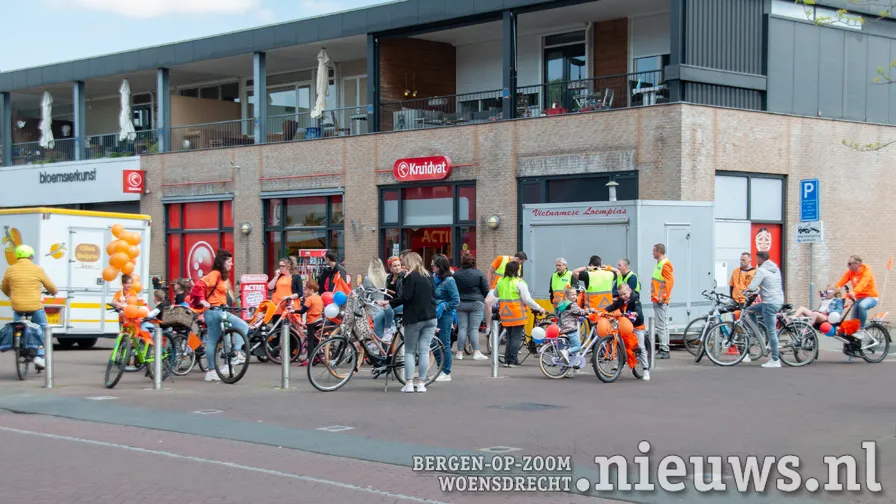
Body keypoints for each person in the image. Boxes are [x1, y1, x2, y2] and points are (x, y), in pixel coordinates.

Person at [380, 252, 436, 393]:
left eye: (404, 262)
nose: (403, 265)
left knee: (410, 351)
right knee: (424, 351)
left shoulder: (410, 277)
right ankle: (422, 383)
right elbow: (433, 294)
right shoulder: (429, 275)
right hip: (430, 318)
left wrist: (388, 302)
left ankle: (410, 383)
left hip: (414, 318)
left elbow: (405, 297)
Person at [190, 249, 249, 382]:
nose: (232, 264)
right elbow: (199, 285)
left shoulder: (221, 276)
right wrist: (202, 300)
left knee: (217, 340)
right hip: (213, 311)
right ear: (222, 262)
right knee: (242, 326)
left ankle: (215, 368)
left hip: (220, 311)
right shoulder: (215, 274)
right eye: (229, 261)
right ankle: (234, 355)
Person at [1, 245, 57, 369]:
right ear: (31, 256)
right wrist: (54, 292)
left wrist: (11, 295)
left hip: (17, 306)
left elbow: (4, 287)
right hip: (35, 306)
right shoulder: (37, 269)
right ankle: (39, 356)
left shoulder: (10, 269)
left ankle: (18, 344)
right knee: (43, 327)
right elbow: (50, 286)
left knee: (16, 325)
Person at [489, 261, 545, 367]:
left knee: (510, 337)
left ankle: (507, 360)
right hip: (517, 314)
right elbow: (527, 300)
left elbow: (496, 294)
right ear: (517, 271)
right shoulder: (519, 283)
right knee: (515, 338)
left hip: (505, 314)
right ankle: (513, 360)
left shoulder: (501, 281)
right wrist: (539, 308)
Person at [745, 250, 784, 368]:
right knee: (749, 310)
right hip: (778, 300)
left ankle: (775, 359)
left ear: (760, 259)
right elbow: (769, 285)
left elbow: (752, 286)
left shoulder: (761, 270)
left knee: (771, 331)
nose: (756, 261)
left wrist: (747, 290)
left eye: (757, 259)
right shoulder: (775, 268)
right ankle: (757, 332)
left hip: (769, 303)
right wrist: (758, 291)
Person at [607, 283, 649, 381]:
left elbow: (638, 309)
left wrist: (635, 313)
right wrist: (604, 311)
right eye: (621, 295)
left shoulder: (635, 300)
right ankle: (618, 363)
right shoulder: (620, 301)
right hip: (626, 325)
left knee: (640, 346)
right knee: (618, 342)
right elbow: (613, 306)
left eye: (624, 294)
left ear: (629, 291)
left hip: (636, 325)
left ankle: (645, 369)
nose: (623, 296)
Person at [453, 252, 489, 361]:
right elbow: (486, 289)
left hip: (461, 302)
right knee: (473, 329)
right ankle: (476, 352)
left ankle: (459, 353)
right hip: (476, 303)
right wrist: (482, 298)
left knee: (462, 328)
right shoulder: (478, 274)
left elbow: (453, 289)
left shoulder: (456, 274)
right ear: (473, 262)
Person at [431, 254, 459, 382]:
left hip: (446, 316)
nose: (432, 267)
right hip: (434, 314)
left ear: (440, 267)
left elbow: (456, 300)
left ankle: (446, 371)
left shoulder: (449, 281)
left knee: (444, 343)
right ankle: (440, 368)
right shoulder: (434, 278)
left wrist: (443, 306)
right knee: (433, 343)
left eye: (434, 266)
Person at [835, 255, 879, 335]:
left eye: (849, 263)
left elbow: (862, 284)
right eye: (848, 263)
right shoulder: (850, 272)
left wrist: (854, 292)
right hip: (859, 299)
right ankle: (853, 345)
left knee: (862, 306)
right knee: (853, 322)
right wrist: (833, 289)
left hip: (871, 297)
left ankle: (861, 330)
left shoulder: (867, 272)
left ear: (858, 264)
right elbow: (841, 282)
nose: (848, 265)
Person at [485, 252, 527, 333]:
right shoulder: (501, 259)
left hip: (510, 290)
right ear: (518, 259)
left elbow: (519, 278)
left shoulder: (519, 266)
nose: (521, 264)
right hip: (497, 288)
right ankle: (488, 327)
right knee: (487, 302)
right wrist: (489, 286)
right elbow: (490, 271)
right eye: (521, 262)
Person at [556, 287, 593, 374]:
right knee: (577, 347)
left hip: (563, 329)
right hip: (571, 329)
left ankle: (564, 370)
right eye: (572, 295)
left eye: (576, 294)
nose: (575, 296)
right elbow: (581, 311)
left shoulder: (563, 304)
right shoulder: (572, 304)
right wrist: (591, 310)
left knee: (569, 351)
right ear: (567, 296)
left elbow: (568, 315)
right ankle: (566, 352)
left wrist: (577, 317)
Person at [650, 244, 675, 359]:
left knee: (661, 325)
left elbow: (669, 282)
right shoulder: (660, 264)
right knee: (662, 325)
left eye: (654, 251)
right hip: (658, 299)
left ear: (659, 251)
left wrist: (663, 297)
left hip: (660, 300)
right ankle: (664, 348)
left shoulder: (664, 264)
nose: (652, 253)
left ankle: (664, 350)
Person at [362, 258, 395, 342]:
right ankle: (385, 352)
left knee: (377, 337)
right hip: (386, 309)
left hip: (372, 310)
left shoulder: (367, 279)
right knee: (386, 336)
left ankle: (378, 351)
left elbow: (364, 295)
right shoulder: (388, 277)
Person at [295, 279, 324, 357]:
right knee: (316, 340)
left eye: (306, 289)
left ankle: (310, 357)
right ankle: (317, 357)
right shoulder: (319, 298)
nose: (305, 291)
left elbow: (302, 311)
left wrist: (293, 311)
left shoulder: (310, 299)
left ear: (311, 289)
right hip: (319, 320)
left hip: (311, 321)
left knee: (310, 340)